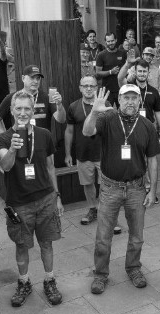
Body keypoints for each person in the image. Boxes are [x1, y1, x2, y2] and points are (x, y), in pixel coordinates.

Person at [82, 85, 160, 294]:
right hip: (110, 188)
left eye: (134, 98)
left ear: (139, 101)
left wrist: (152, 191)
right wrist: (94, 112)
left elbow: (152, 160)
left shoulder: (147, 126)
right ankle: (100, 274)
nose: (130, 102)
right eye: (126, 97)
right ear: (118, 100)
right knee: (103, 237)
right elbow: (87, 131)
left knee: (137, 236)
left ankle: (134, 268)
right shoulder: (107, 119)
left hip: (136, 188)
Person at [0, 91, 65, 307]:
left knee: (47, 243)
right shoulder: (2, 138)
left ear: (33, 111)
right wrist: (14, 149)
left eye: (27, 108)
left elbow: (51, 167)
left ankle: (49, 280)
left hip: (45, 200)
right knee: (22, 245)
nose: (23, 113)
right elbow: (5, 166)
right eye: (18, 109)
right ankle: (24, 282)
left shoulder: (44, 135)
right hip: (19, 204)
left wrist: (57, 197)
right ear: (12, 111)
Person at [65, 76, 110, 225]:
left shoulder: (106, 104)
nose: (89, 88)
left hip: (103, 153)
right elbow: (69, 131)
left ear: (97, 88)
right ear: (80, 88)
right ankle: (92, 209)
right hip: (83, 154)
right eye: (85, 86)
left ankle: (107, 212)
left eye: (92, 85)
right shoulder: (73, 107)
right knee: (87, 184)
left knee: (106, 185)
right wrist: (67, 153)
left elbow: (112, 129)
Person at [0, 64, 65, 136]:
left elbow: (61, 120)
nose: (36, 81)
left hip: (42, 144)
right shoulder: (13, 97)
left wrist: (59, 105)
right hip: (21, 143)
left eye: (38, 78)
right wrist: (5, 137)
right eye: (32, 78)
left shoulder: (47, 97)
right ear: (23, 78)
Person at [117, 59, 160, 136]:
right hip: (130, 128)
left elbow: (158, 112)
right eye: (140, 71)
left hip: (149, 128)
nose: (142, 74)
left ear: (148, 73)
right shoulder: (129, 87)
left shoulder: (154, 91)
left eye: (144, 71)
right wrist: (127, 64)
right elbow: (120, 78)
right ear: (135, 72)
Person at [96, 32, 126, 106]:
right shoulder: (101, 55)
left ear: (116, 40)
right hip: (107, 90)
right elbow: (98, 73)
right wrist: (110, 72)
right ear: (105, 42)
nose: (110, 43)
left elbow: (127, 68)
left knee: (123, 112)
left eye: (112, 41)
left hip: (121, 89)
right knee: (107, 113)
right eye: (108, 41)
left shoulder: (122, 53)